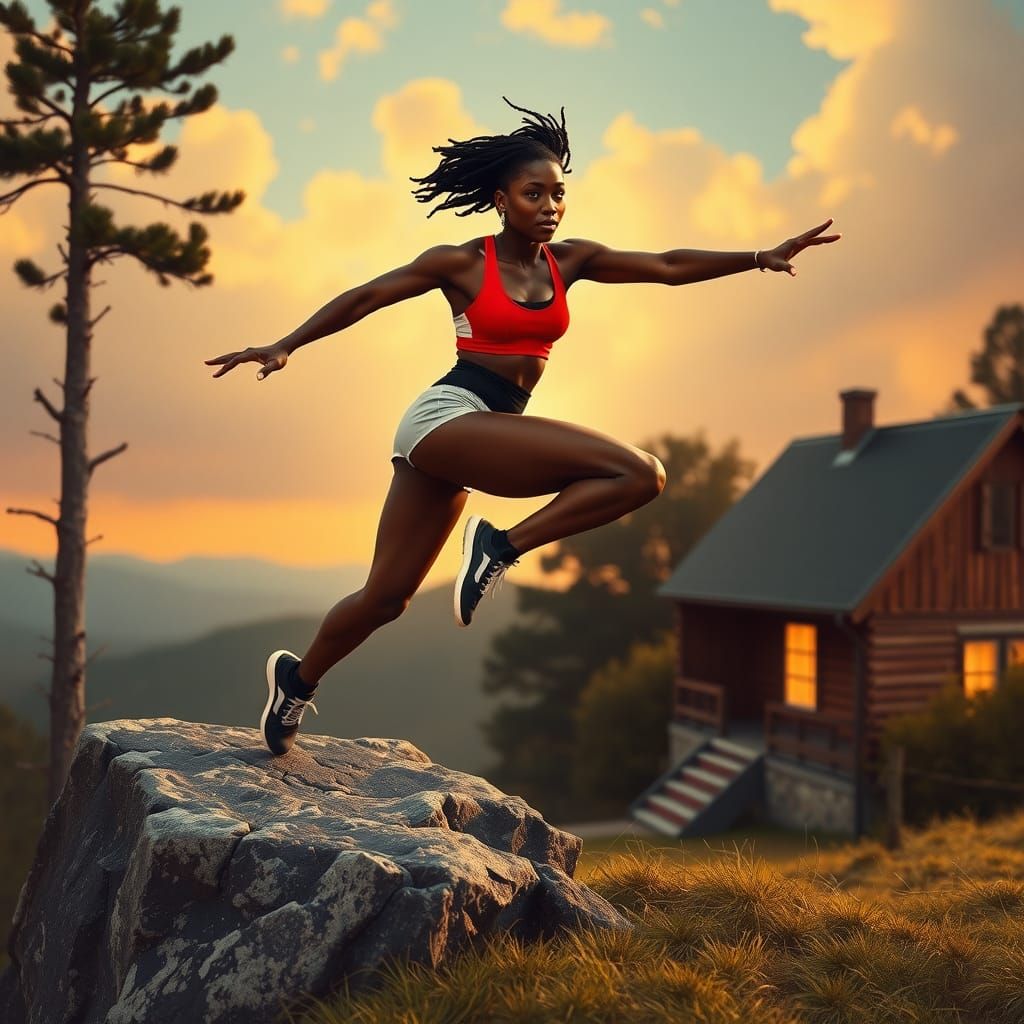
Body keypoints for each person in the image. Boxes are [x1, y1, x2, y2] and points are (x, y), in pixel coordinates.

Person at [204, 96, 842, 756]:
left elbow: (666, 266)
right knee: (637, 472)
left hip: (486, 430)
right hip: (444, 420)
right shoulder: (461, 263)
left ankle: (295, 681)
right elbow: (368, 295)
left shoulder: (572, 261)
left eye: (559, 194)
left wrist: (759, 256)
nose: (550, 205)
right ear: (500, 198)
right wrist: (287, 343)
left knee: (387, 597)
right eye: (534, 193)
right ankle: (500, 548)